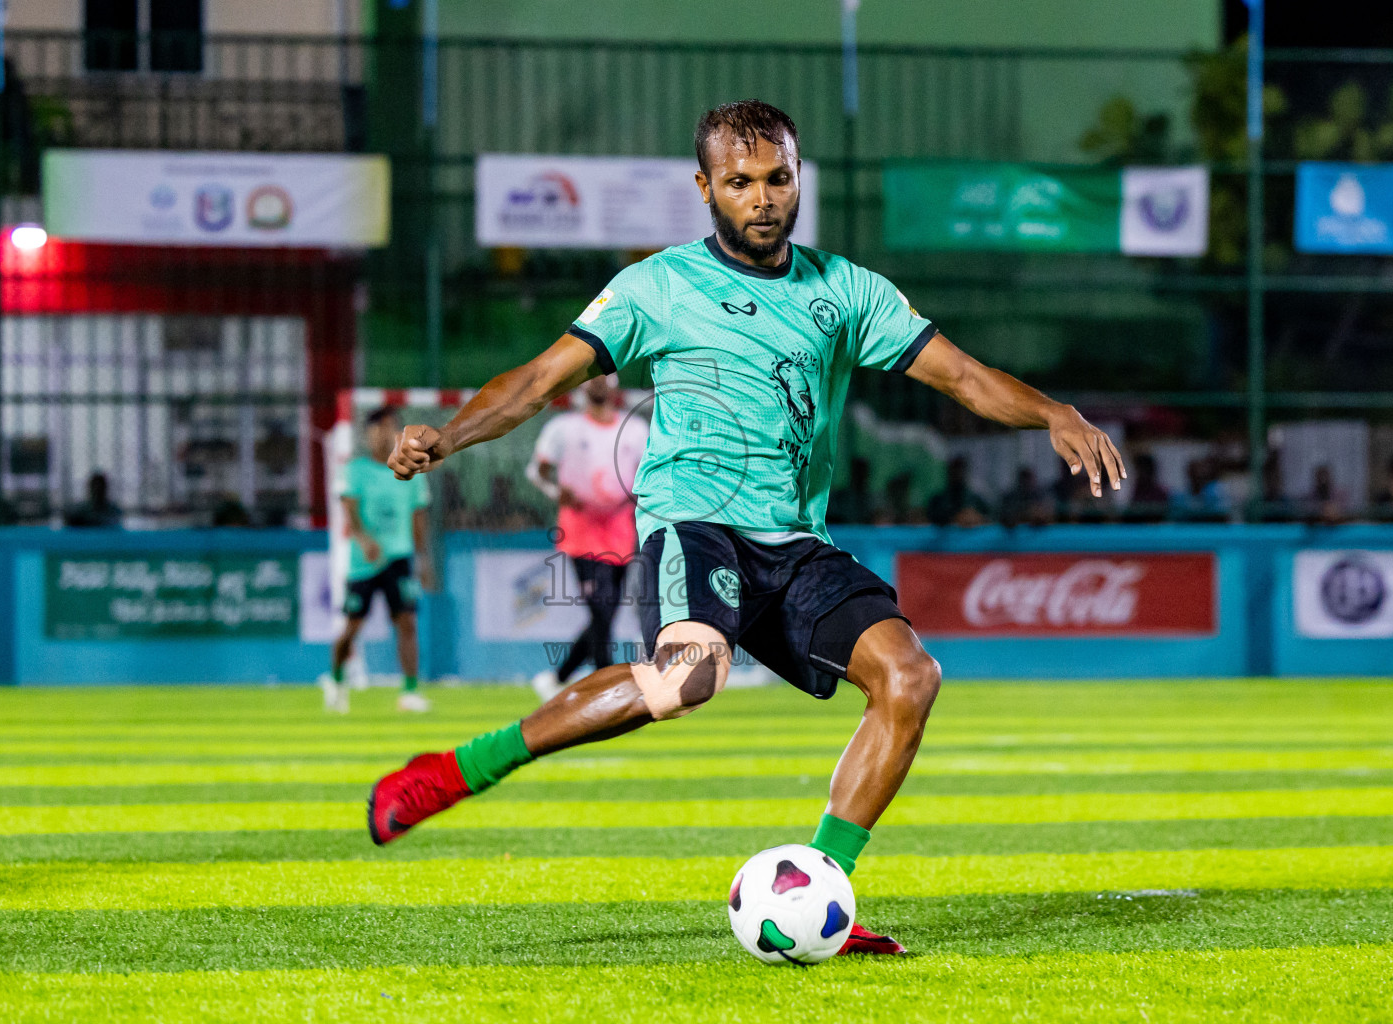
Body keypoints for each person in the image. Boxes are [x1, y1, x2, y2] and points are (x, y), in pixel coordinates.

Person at [366, 101, 1123, 956]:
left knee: (910, 679)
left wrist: (1054, 412)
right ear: (706, 188)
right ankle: (454, 772)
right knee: (685, 681)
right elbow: (539, 379)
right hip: (696, 523)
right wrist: (449, 434)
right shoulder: (657, 287)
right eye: (739, 182)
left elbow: (965, 379)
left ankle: (822, 892)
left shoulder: (849, 290)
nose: (761, 198)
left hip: (799, 544)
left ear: (799, 180)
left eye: (777, 179)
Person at [526, 375, 648, 702]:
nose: (597, 383)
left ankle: (557, 677)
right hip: (580, 531)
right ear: (582, 387)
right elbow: (536, 470)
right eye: (591, 377)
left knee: (605, 612)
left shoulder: (635, 429)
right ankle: (607, 688)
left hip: (621, 530)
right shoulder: (564, 428)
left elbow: (646, 475)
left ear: (616, 387)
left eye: (604, 377)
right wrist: (556, 491)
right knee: (603, 609)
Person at [321, 407, 435, 714]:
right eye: (381, 427)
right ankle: (336, 679)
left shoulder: (412, 470)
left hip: (399, 557)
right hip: (364, 562)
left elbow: (418, 518)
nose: (387, 433)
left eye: (392, 427)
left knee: (407, 622)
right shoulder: (356, 469)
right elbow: (350, 510)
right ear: (369, 433)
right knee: (353, 628)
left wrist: (423, 561)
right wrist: (364, 540)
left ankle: (409, 691)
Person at [925, 455, 988, 527]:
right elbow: (931, 520)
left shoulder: (976, 500)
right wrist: (955, 518)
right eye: (954, 469)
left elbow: (987, 518)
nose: (958, 473)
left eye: (960, 469)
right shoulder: (937, 501)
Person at [826, 456, 875, 524]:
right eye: (858, 471)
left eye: (863, 471)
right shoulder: (838, 498)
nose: (860, 475)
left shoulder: (872, 500)